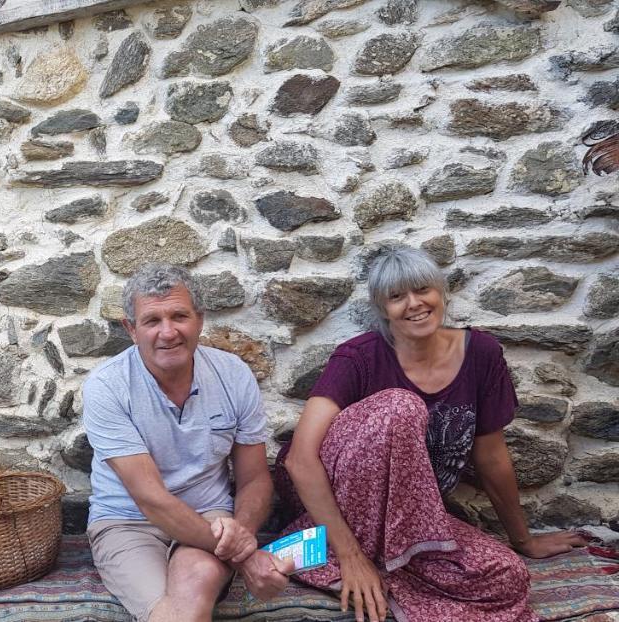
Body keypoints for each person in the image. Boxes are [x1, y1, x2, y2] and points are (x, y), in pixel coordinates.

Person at [276, 245, 588, 622]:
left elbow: (490, 457)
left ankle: (327, 559)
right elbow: (299, 459)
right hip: (334, 506)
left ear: (441, 292)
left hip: (412, 522)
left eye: (422, 289)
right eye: (396, 296)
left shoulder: (482, 354)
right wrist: (350, 555)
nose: (413, 304)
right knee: (400, 405)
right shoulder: (358, 357)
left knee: (508, 577)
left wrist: (524, 541)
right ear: (381, 308)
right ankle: (341, 553)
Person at [83, 263, 292, 622]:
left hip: (211, 516)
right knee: (175, 614)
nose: (168, 332)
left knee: (197, 586)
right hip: (128, 521)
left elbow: (255, 478)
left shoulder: (233, 375)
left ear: (199, 319)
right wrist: (243, 554)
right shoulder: (107, 386)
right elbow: (151, 498)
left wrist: (240, 531)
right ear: (131, 330)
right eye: (152, 321)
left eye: (179, 316)